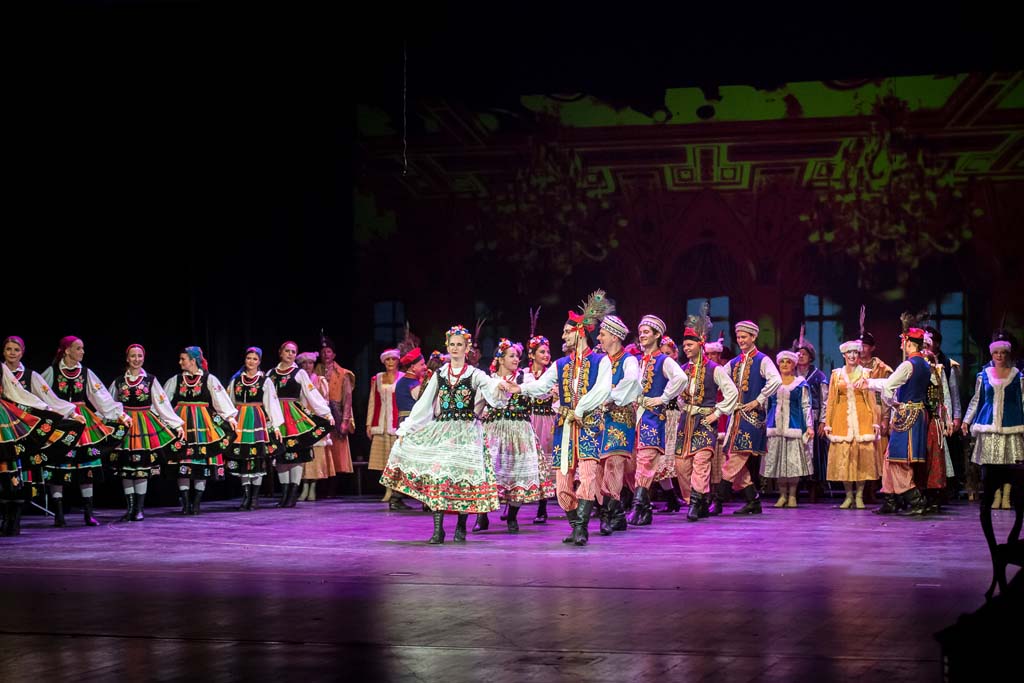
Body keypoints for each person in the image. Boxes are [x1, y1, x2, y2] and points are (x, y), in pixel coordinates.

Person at [380, 325, 511, 544]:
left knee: (464, 480)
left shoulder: (475, 374)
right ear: (447, 347)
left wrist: (501, 386)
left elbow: (491, 386)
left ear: (467, 348)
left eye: (460, 345)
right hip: (444, 428)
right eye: (452, 344)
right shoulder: (440, 374)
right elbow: (424, 404)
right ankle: (438, 529)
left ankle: (461, 527)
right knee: (439, 476)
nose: (455, 348)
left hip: (468, 431)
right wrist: (408, 429)